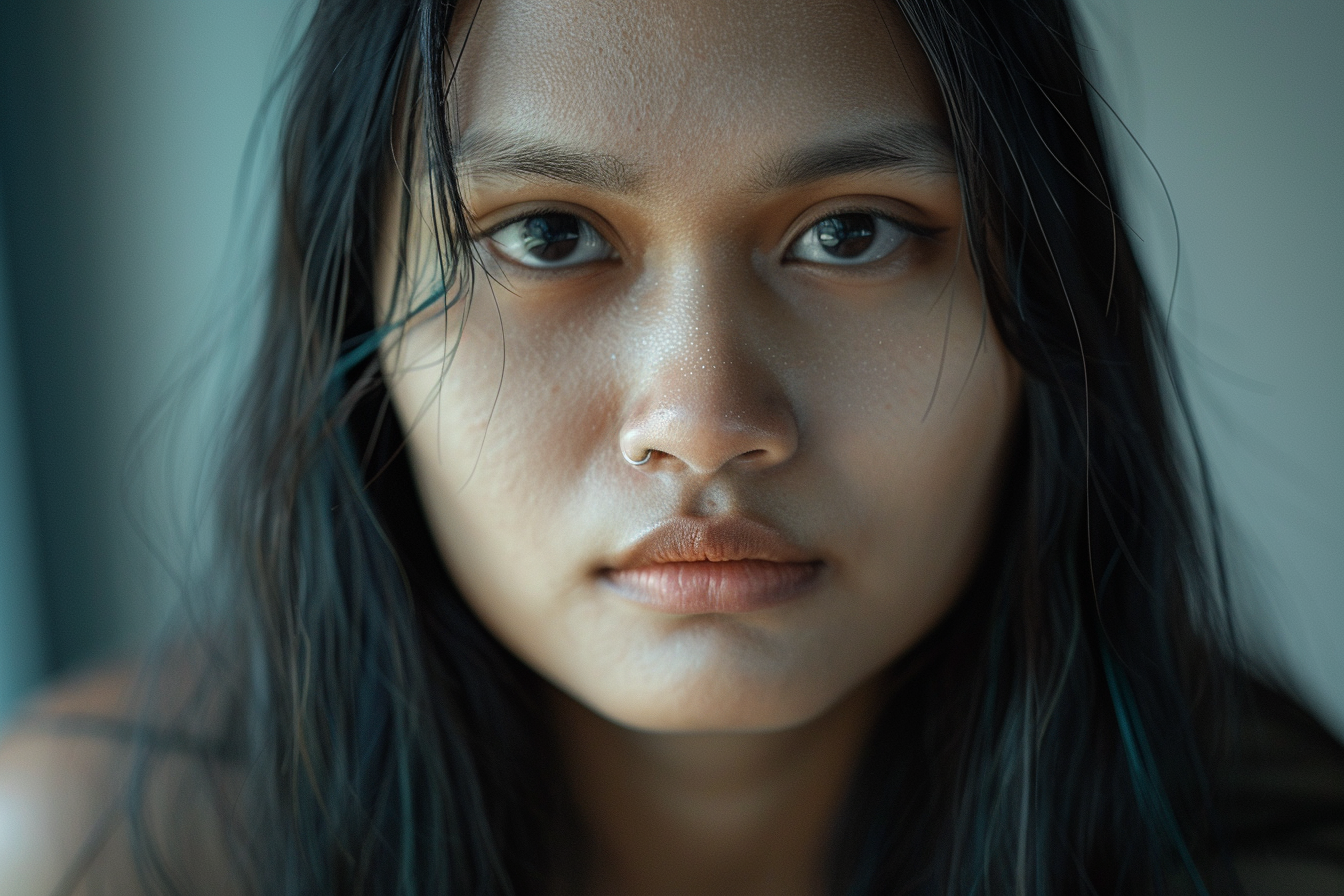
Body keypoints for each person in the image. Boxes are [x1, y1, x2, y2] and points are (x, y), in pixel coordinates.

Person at [2, 0, 1342, 893]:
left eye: (854, 232)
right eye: (547, 235)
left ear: (1043, 311)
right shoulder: (107, 855)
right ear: (358, 325)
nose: (704, 422)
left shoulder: (1271, 850)